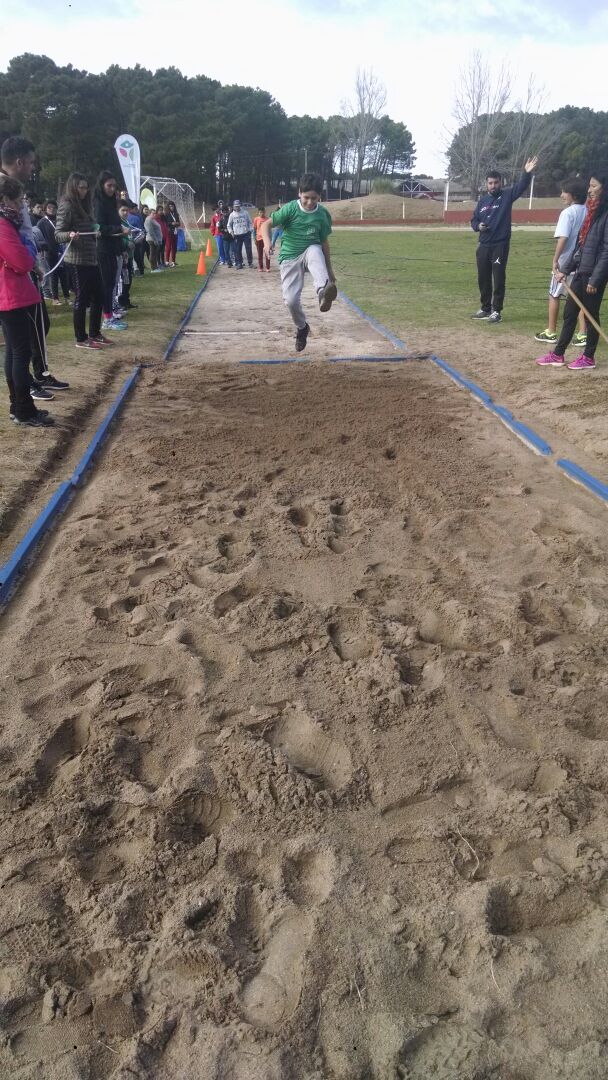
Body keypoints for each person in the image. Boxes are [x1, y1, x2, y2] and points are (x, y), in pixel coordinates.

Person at [1, 135, 69, 397]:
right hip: (14, 279)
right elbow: (15, 244)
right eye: (30, 163)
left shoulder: (12, 193)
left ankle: (34, 379)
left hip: (23, 273)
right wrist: (29, 257)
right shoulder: (4, 202)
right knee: (20, 345)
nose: (33, 168)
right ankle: (25, 394)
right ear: (18, 162)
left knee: (28, 337)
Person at [536, 171, 608, 371]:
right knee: (570, 313)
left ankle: (588, 357)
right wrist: (565, 269)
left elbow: (606, 251)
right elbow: (581, 247)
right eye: (589, 186)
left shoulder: (606, 214)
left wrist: (596, 279)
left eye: (594, 186)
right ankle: (558, 354)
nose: (589, 190)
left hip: (594, 276)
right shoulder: (592, 212)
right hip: (580, 272)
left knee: (591, 315)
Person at [261, 172, 337, 353]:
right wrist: (267, 242)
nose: (310, 202)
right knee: (291, 301)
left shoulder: (322, 214)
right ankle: (302, 328)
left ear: (320, 197)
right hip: (289, 257)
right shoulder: (290, 209)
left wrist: (330, 271)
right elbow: (265, 225)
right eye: (306, 198)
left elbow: (324, 242)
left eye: (314, 199)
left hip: (311, 250)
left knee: (314, 249)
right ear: (299, 194)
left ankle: (323, 291)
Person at [0, 174, 54, 426]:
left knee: (14, 352)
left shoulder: (7, 224)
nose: (20, 206)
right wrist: (29, 255)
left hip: (12, 293)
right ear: (5, 200)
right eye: (18, 201)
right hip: (12, 295)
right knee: (20, 353)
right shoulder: (2, 225)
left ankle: (18, 407)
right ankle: (23, 409)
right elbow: (21, 261)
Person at [471, 156, 538, 324]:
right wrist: (478, 226)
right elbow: (473, 220)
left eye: (496, 182)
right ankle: (485, 308)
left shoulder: (507, 196)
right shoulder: (482, 202)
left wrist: (526, 173)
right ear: (486, 184)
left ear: (501, 183)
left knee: (498, 277)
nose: (493, 185)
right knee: (483, 277)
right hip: (484, 245)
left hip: (499, 245)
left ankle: (496, 311)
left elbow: (521, 186)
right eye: (490, 183)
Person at [56, 173, 111, 350]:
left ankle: (95, 333)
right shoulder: (66, 206)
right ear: (73, 187)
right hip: (76, 260)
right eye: (81, 187)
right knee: (82, 298)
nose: (85, 191)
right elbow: (58, 234)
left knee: (100, 295)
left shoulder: (86, 206)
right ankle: (81, 338)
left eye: (86, 188)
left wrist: (96, 230)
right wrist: (69, 235)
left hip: (91, 258)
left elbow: (91, 225)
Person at [535, 179, 587, 347]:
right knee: (578, 297)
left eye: (564, 192)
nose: (561, 195)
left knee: (554, 294)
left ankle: (551, 331)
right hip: (582, 262)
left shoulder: (567, 213)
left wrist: (555, 259)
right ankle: (582, 334)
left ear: (573, 194)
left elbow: (563, 238)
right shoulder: (587, 211)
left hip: (565, 263)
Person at [93, 170, 128, 331]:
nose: (112, 189)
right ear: (102, 185)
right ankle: (107, 318)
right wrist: (118, 228)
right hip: (103, 249)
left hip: (113, 247)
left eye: (114, 186)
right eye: (109, 185)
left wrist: (121, 248)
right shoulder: (98, 203)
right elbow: (100, 227)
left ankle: (110, 314)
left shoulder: (111, 202)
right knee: (106, 284)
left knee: (112, 283)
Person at [38, 200, 70, 305]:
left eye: (54, 208)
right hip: (50, 252)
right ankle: (55, 298)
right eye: (49, 207)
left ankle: (67, 297)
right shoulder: (42, 222)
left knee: (64, 274)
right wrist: (43, 248)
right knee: (53, 275)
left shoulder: (59, 221)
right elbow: (39, 237)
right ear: (45, 209)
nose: (52, 210)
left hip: (62, 251)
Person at [227, 200, 254, 269]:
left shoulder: (245, 213)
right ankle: (239, 263)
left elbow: (250, 222)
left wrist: (250, 230)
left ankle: (250, 263)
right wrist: (231, 232)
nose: (237, 208)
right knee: (238, 250)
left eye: (238, 206)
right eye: (235, 206)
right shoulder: (232, 215)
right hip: (237, 235)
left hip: (246, 234)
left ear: (240, 206)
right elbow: (229, 225)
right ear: (233, 206)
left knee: (248, 249)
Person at [144, 207, 163, 271]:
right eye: (153, 213)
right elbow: (151, 231)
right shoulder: (149, 220)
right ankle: (153, 268)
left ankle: (155, 267)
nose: (154, 215)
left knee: (154, 254)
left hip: (156, 239)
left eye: (155, 213)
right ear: (149, 213)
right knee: (152, 254)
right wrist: (155, 240)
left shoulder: (152, 219)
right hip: (152, 239)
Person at [253, 207, 271, 272]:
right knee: (260, 254)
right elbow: (254, 230)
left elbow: (269, 231)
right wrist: (254, 239)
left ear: (265, 212)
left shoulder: (268, 219)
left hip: (266, 239)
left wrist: (270, 240)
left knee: (267, 254)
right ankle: (260, 267)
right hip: (259, 239)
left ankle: (268, 268)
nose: (261, 213)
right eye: (260, 212)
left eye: (263, 212)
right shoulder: (256, 219)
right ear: (258, 212)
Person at [164, 200, 181, 266]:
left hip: (175, 231)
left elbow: (179, 223)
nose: (172, 207)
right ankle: (167, 261)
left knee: (174, 247)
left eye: (172, 206)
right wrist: (171, 223)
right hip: (169, 232)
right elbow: (165, 223)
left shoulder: (176, 214)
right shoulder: (166, 214)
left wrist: (177, 223)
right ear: (168, 207)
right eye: (170, 206)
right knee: (168, 247)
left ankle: (173, 261)